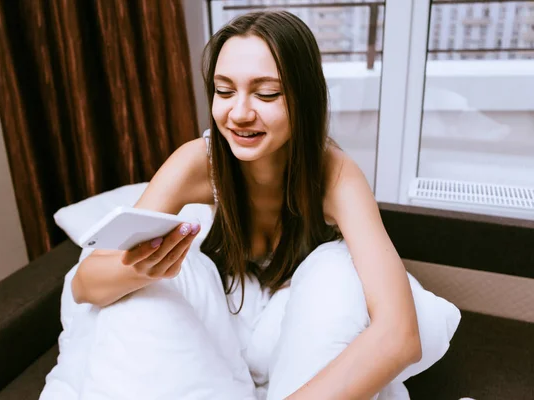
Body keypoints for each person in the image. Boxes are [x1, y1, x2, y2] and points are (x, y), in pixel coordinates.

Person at [67, 10, 424, 400]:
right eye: (224, 91)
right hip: (220, 332)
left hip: (291, 331)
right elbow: (85, 285)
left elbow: (401, 335)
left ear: (304, 98)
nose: (238, 114)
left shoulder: (336, 177)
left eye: (267, 93)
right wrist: (139, 269)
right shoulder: (197, 162)